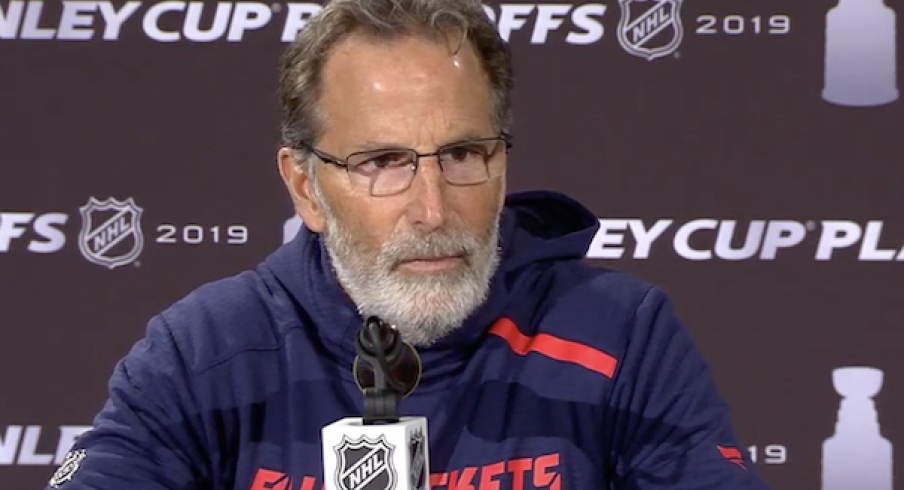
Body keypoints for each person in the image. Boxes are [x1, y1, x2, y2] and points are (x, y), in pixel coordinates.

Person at [43, 0, 773, 489]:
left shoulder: (620, 335)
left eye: (462, 154)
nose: (432, 209)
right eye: (381, 162)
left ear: (503, 160)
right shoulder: (204, 352)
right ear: (305, 188)